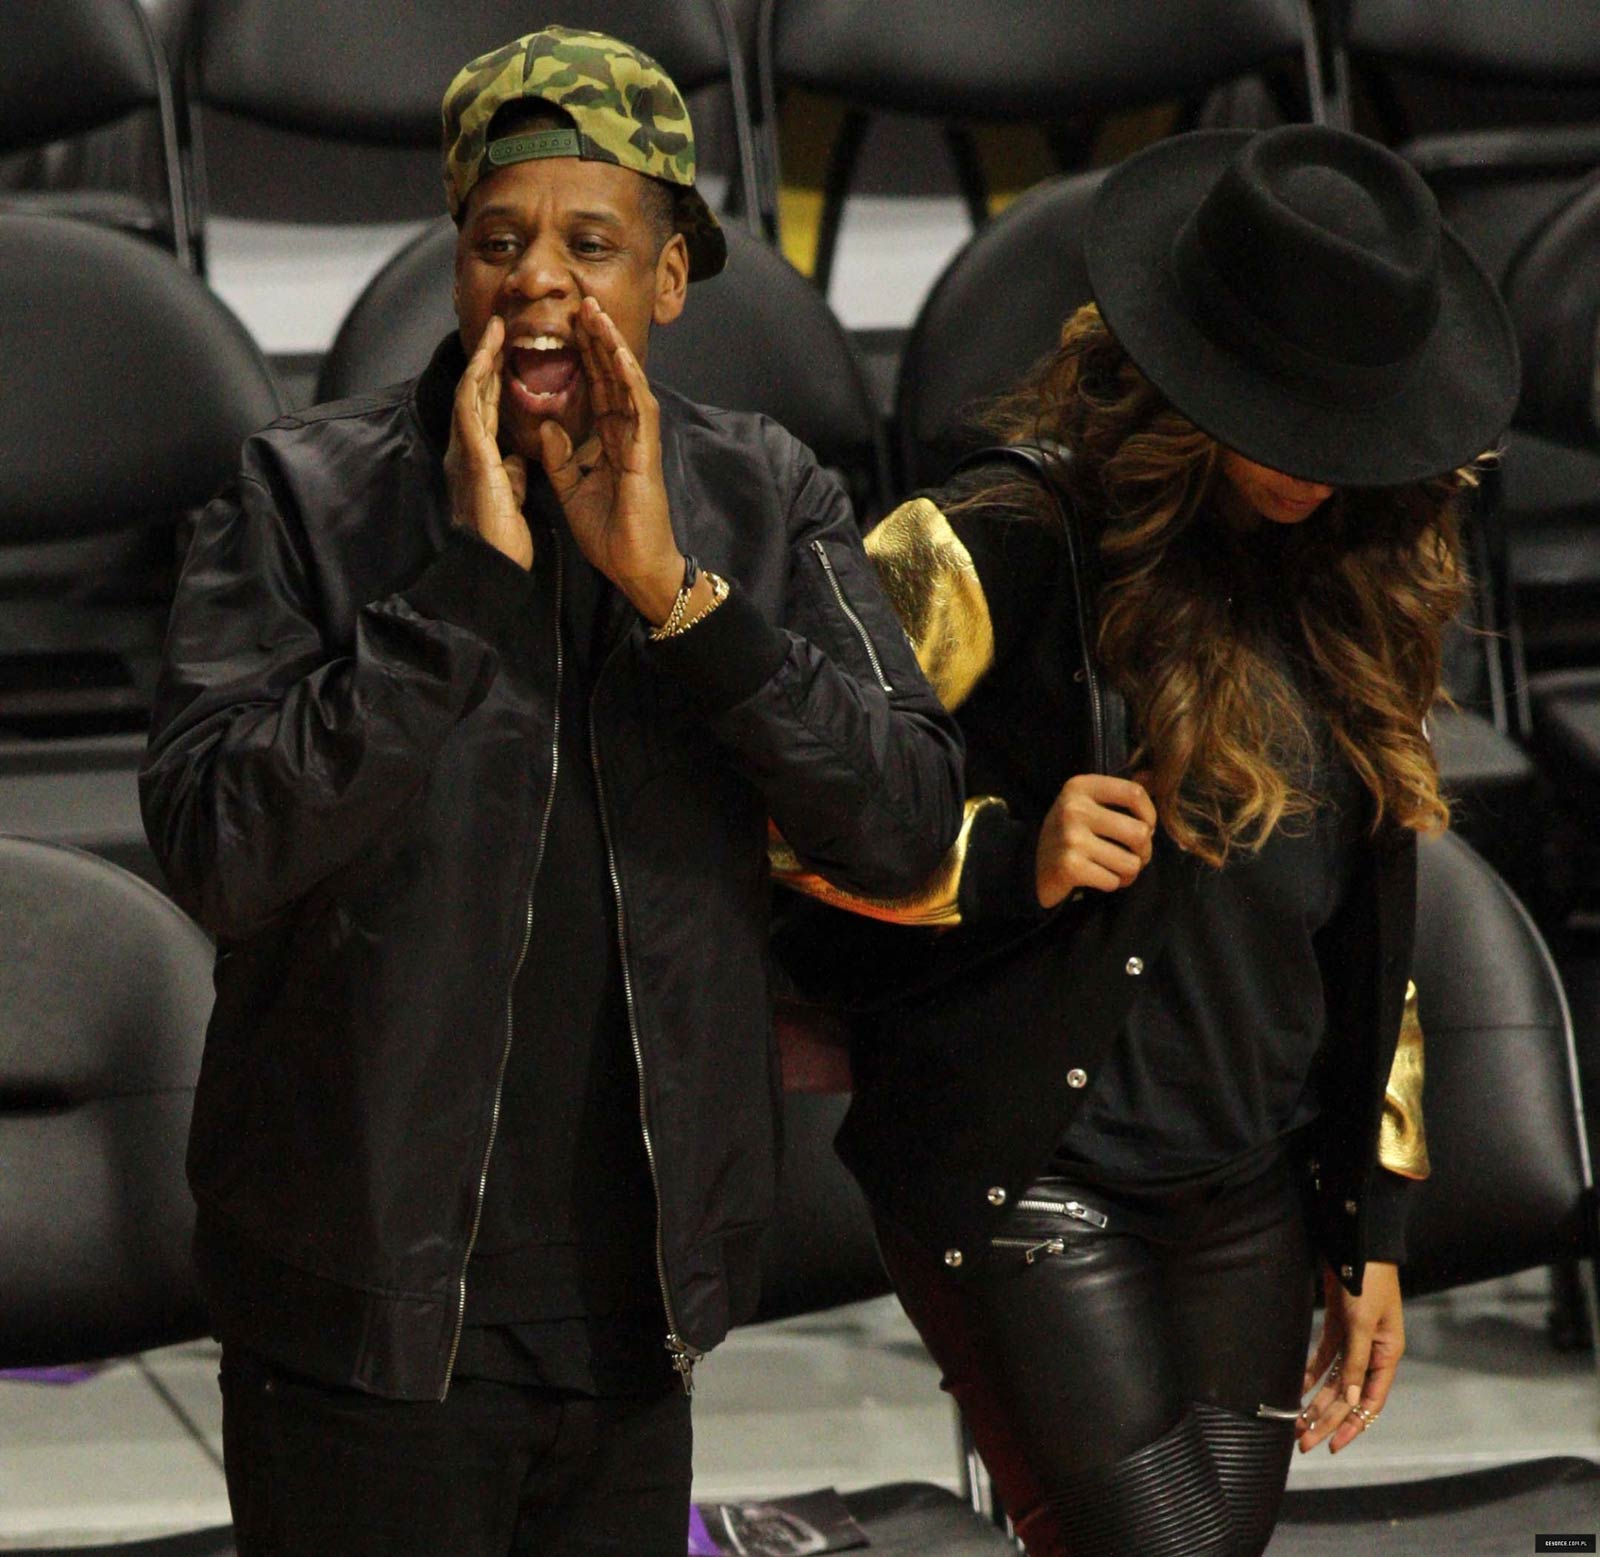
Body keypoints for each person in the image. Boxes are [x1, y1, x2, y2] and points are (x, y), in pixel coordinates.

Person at [139, 27, 963, 1557]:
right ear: (456, 268)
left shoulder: (765, 495)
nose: (538, 278)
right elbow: (217, 847)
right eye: (497, 239)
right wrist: (456, 601)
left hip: (637, 1312)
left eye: (591, 241)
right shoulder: (303, 497)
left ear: (669, 277)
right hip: (363, 1317)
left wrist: (684, 601)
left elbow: (909, 823)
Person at [778, 124, 1519, 1556]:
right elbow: (789, 789)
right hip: (1032, 1159)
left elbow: (1366, 922)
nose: (1316, 464)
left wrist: (1371, 1223)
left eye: (1344, 428)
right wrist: (1004, 853)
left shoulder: (1368, 571)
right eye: (1283, 417)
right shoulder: (991, 540)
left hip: (1248, 1181)